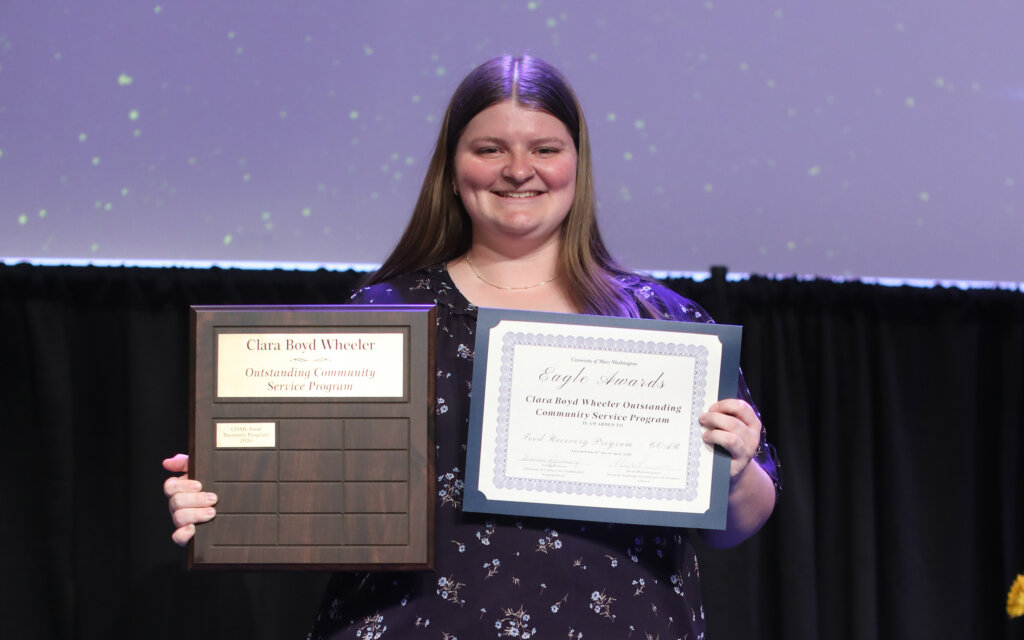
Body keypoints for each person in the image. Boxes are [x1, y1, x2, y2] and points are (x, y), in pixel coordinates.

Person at [164, 54, 781, 639]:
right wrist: (231, 493)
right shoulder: (384, 317)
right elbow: (310, 488)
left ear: (577, 164)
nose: (518, 170)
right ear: (453, 168)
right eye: (490, 149)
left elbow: (735, 527)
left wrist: (732, 473)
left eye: (545, 149)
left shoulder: (659, 322)